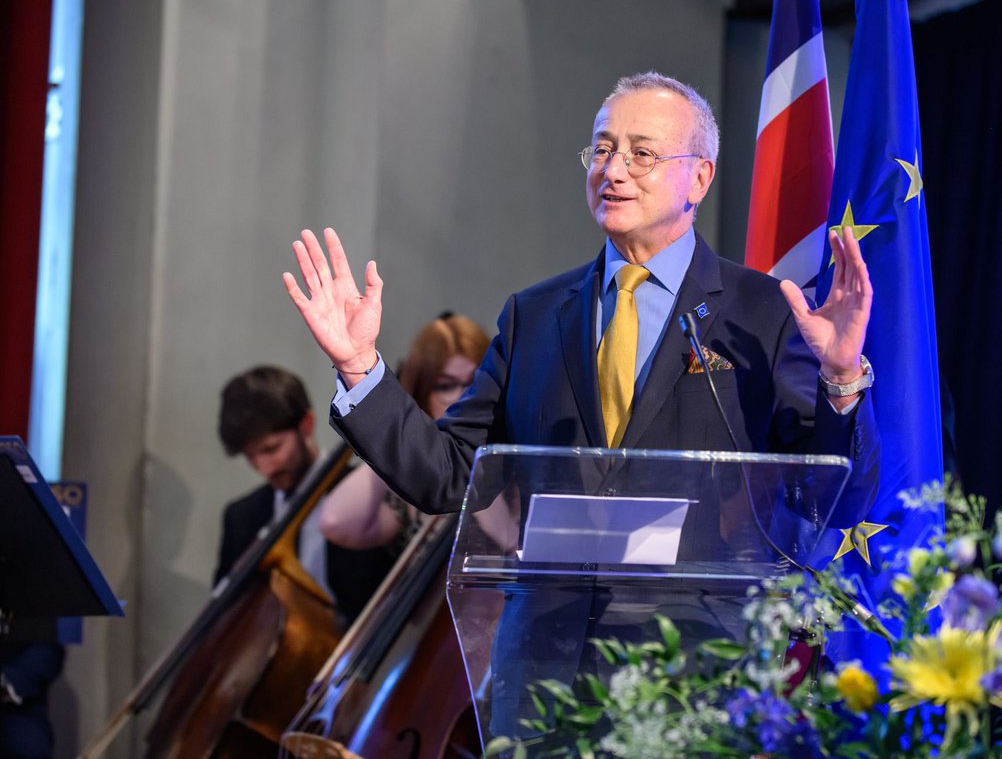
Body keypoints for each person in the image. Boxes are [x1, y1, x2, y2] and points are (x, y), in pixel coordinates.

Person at [283, 71, 881, 735]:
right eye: (601, 149)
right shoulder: (535, 315)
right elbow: (448, 474)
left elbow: (830, 494)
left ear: (700, 178)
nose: (613, 170)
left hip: (694, 671)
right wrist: (359, 367)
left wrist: (841, 375)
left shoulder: (760, 312)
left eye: (641, 154)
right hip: (543, 672)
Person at [215, 366, 394, 624]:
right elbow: (227, 620)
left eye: (271, 449)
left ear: (306, 425)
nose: (265, 468)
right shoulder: (240, 517)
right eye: (251, 456)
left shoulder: (364, 497)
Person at [318, 313, 490, 549]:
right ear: (421, 391)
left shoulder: (511, 466)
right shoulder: (419, 482)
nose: (462, 396)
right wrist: (402, 439)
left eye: (474, 382)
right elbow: (335, 522)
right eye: (446, 386)